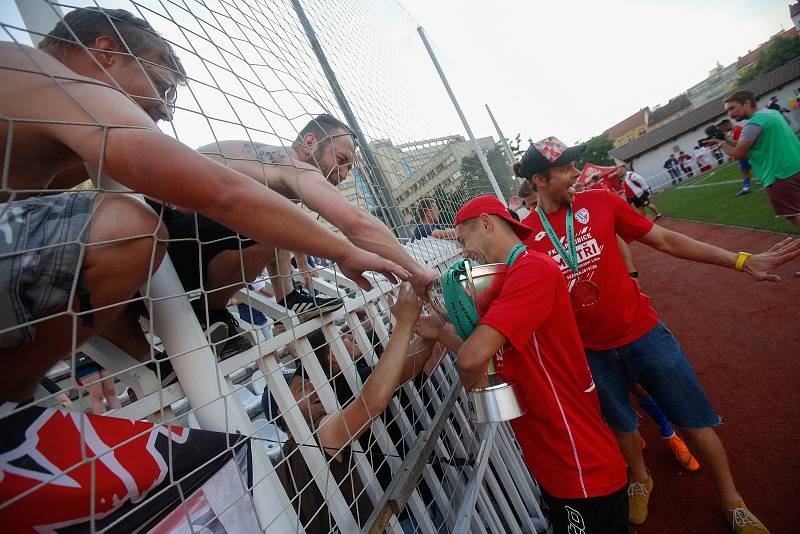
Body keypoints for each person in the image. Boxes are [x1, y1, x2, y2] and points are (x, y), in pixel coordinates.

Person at [0, 8, 409, 402]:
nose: (165, 109)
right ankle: (19, 386)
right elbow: (222, 193)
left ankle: (150, 353)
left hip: (141, 265)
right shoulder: (38, 72)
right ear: (105, 52)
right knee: (128, 225)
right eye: (160, 86)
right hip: (168, 248)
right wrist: (357, 255)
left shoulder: (54, 130)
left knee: (137, 224)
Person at [517, 136, 799, 532]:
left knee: (695, 421)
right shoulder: (524, 235)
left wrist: (740, 260)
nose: (577, 174)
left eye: (574, 166)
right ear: (541, 181)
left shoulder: (602, 201)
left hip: (643, 333)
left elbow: (665, 239)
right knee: (622, 426)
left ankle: (732, 501)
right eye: (566, 169)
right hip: (590, 353)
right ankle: (640, 478)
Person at [416, 195, 629, 534]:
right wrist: (441, 331)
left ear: (486, 223)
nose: (463, 251)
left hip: (579, 464)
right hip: (555, 459)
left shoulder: (532, 270)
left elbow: (473, 359)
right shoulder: (514, 276)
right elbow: (499, 353)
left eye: (462, 240)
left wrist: (476, 387)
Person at [193, 117, 436, 327]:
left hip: (191, 236)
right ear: (310, 143)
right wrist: (416, 272)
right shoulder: (289, 164)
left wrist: (298, 271)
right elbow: (354, 219)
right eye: (341, 160)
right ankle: (210, 314)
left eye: (349, 169)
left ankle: (287, 297)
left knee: (279, 218)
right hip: (174, 234)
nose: (343, 175)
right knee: (273, 223)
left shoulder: (274, 178)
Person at [274, 284, 438, 533]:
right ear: (281, 412)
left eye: (310, 384)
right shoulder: (313, 434)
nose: (313, 391)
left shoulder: (289, 455)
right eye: (300, 389)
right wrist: (407, 323)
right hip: (402, 515)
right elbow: (375, 399)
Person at [712, 90, 800, 230]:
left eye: (732, 108)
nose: (730, 114)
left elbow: (737, 154)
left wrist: (722, 144)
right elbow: (752, 142)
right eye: (727, 110)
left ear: (747, 103)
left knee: (793, 214)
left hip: (778, 175)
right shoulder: (772, 113)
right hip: (796, 164)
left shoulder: (753, 124)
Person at [718, 119, 755, 196]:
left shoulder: (738, 129)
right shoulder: (731, 132)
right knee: (745, 171)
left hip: (747, 155)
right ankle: (746, 188)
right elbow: (734, 144)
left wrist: (726, 140)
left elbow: (741, 143)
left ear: (727, 125)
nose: (722, 129)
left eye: (723, 127)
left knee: (758, 168)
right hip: (741, 156)